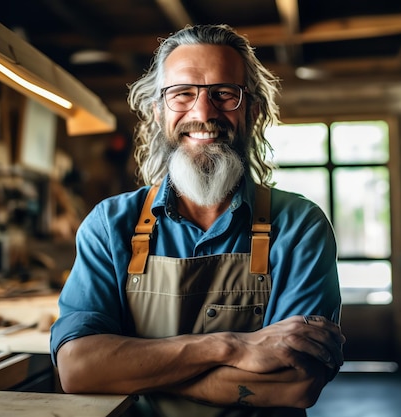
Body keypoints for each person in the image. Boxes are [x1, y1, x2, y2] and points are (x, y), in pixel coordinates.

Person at [50, 24, 345, 417]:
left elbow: (296, 384)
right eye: (182, 94)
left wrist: (132, 370)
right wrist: (233, 346)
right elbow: (79, 368)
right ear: (158, 112)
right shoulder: (109, 225)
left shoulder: (299, 226)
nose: (203, 113)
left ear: (252, 110)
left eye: (224, 94)